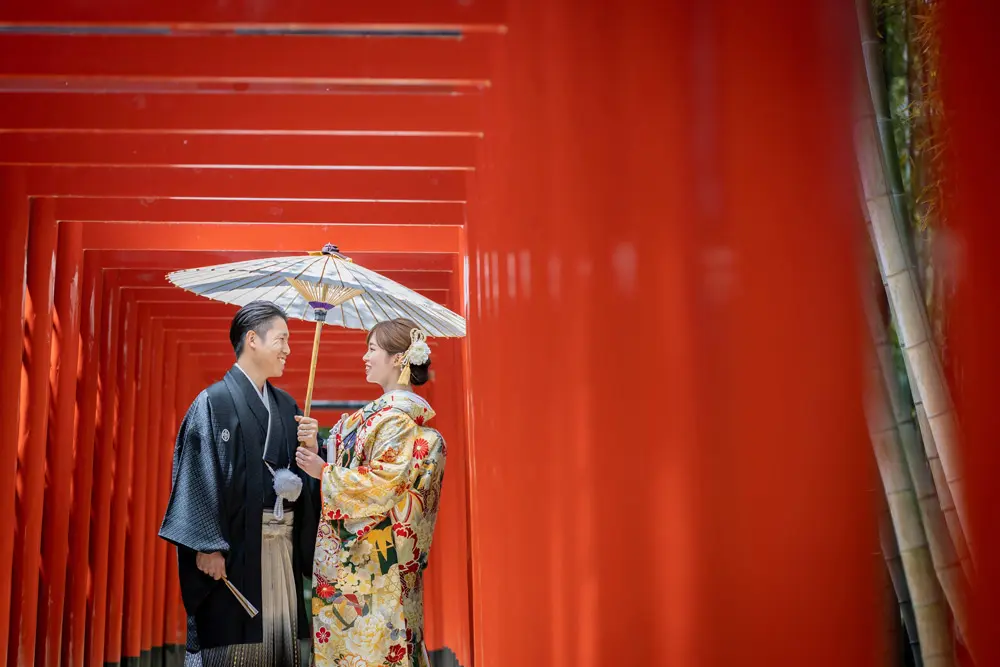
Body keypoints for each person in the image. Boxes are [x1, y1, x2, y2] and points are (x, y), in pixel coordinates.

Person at [159, 300, 321, 667]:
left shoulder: (287, 407)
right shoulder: (213, 403)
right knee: (230, 646)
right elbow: (196, 474)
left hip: (280, 550)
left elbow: (306, 476)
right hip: (231, 553)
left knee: (278, 644)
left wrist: (312, 449)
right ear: (252, 340)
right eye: (281, 339)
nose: (288, 349)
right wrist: (206, 546)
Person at [295, 318, 447, 667]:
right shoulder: (384, 415)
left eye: (372, 349)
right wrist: (319, 448)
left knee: (372, 650)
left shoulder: (396, 419)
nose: (365, 357)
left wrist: (324, 472)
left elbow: (383, 484)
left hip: (375, 563)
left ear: (398, 359)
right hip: (371, 558)